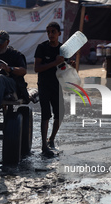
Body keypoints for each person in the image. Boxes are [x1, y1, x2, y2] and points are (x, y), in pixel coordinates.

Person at [34, 22, 71, 157]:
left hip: (58, 85)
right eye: (48, 32)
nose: (50, 34)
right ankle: (44, 145)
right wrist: (54, 63)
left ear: (59, 34)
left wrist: (68, 66)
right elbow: (37, 68)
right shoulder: (41, 48)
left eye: (53, 32)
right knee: (45, 115)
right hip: (44, 85)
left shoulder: (63, 50)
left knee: (59, 114)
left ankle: (51, 139)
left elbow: (64, 70)